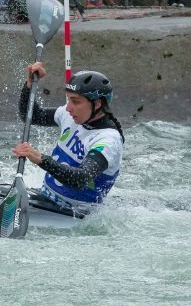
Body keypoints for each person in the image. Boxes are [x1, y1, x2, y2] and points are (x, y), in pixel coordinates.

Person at [11, 65, 125, 213]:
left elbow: (80, 179)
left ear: (97, 104)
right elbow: (33, 116)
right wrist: (30, 85)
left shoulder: (108, 140)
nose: (68, 108)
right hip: (45, 199)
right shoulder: (71, 115)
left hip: (74, 213)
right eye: (69, 100)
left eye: (76, 101)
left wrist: (40, 158)